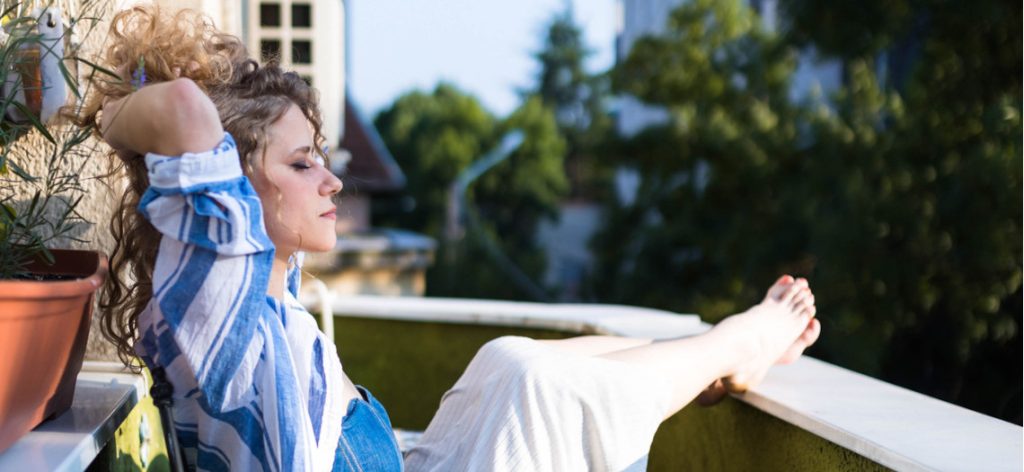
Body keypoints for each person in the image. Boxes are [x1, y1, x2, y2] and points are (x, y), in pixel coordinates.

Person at [87, 6, 820, 471]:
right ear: (234, 192)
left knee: (508, 365)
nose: (334, 183)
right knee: (541, 392)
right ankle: (739, 342)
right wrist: (96, 112)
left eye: (327, 160)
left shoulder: (272, 317)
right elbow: (183, 109)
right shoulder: (219, 321)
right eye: (304, 164)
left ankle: (708, 361)